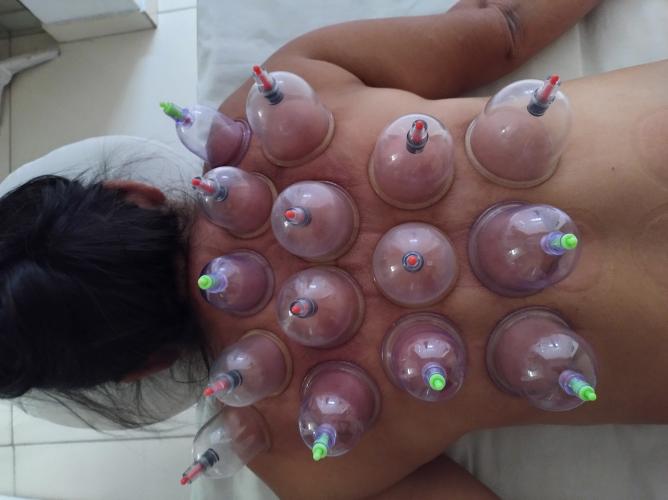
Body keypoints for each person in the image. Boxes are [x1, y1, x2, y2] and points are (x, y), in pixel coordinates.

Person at [4, 0, 667, 497]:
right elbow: (503, 26)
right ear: (133, 192)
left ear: (141, 369)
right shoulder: (277, 94)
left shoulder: (302, 454)